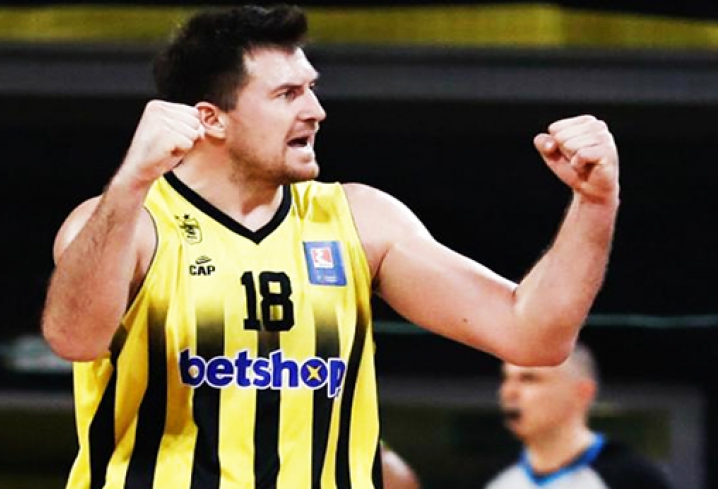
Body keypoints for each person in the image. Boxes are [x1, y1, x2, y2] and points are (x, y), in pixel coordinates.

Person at [41, 5, 619, 488]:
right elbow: (74, 338)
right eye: (288, 93)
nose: (315, 111)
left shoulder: (360, 221)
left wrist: (595, 203)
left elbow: (533, 334)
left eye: (311, 89)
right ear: (211, 119)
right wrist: (131, 181)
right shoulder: (126, 223)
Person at [486, 343, 673, 489]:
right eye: (506, 378)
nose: (509, 392)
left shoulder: (634, 479)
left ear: (583, 393)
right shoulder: (499, 481)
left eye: (529, 379)